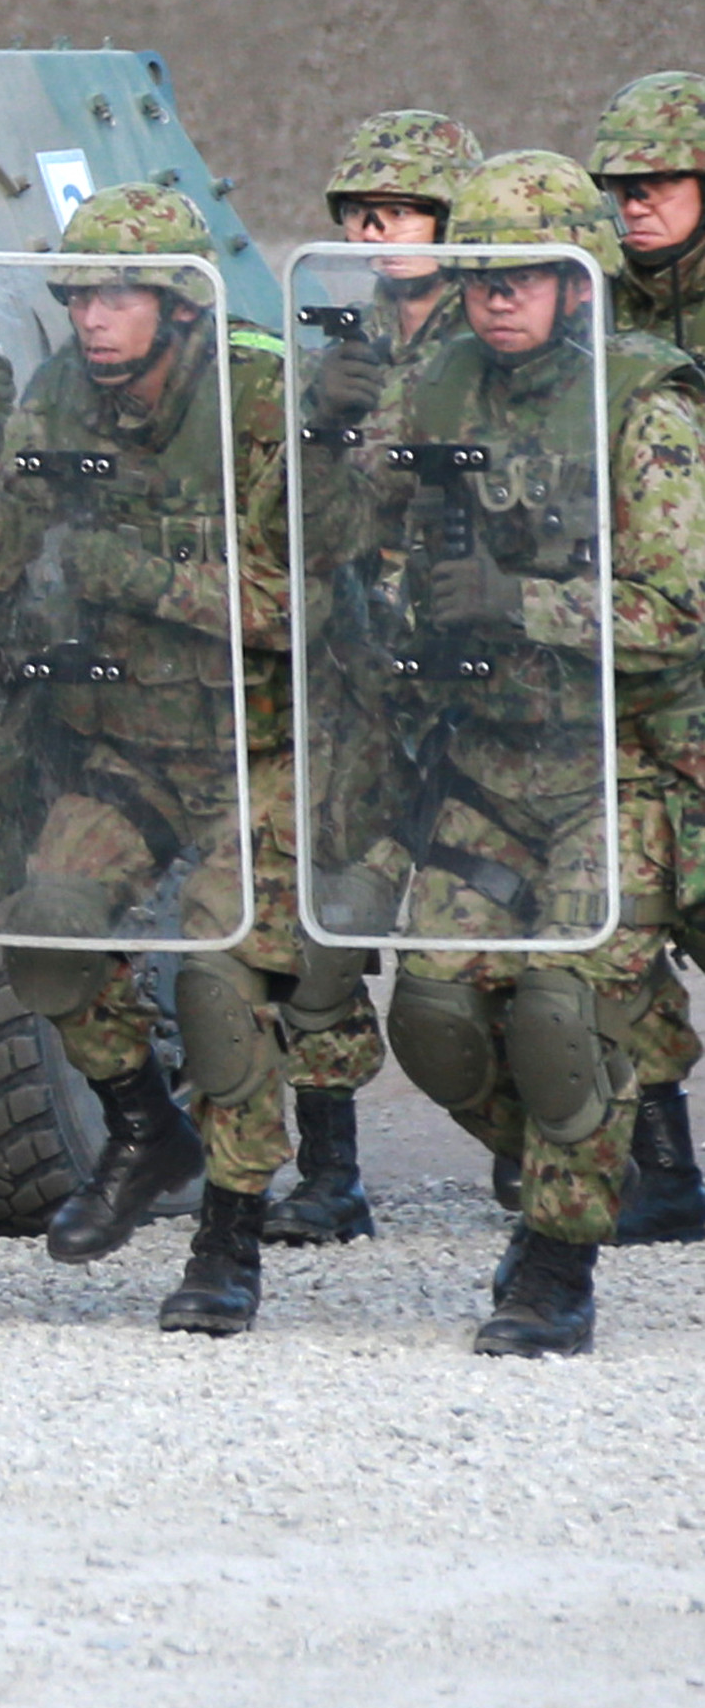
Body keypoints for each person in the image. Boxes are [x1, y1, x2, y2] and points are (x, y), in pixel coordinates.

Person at [303, 151, 705, 1355]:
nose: (496, 296)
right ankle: (563, 1168)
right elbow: (334, 539)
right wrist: (338, 443)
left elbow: (677, 611)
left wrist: (513, 602)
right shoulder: (428, 391)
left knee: (557, 1008)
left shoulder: (643, 401)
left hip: (611, 770)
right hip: (476, 764)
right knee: (430, 1012)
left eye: (523, 275)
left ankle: (552, 1261)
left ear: (576, 281)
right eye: (478, 273)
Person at [0, 184, 305, 1333]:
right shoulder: (54, 396)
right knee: (44, 922)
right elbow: (2, 564)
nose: (92, 318)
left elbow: (311, 605)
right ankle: (145, 1128)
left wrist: (137, 577)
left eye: (117, 295)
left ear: (179, 305)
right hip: (126, 739)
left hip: (266, 746)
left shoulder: (259, 403)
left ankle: (229, 1234)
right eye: (78, 295)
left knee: (217, 975)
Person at [271, 110, 482, 1243]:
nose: (375, 231)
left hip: (477, 687)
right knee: (325, 925)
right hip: (359, 683)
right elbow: (303, 526)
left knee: (505, 942)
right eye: (360, 214)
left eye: (396, 212)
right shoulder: (341, 347)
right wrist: (318, 424)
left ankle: (574, 1151)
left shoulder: (506, 336)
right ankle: (328, 1169)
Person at [587, 70, 705, 1246]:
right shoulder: (591, 304)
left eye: (656, 182)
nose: (633, 205)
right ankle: (661, 1159)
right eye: (617, 184)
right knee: (613, 918)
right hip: (632, 664)